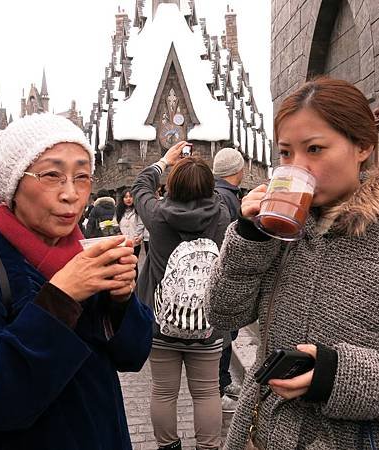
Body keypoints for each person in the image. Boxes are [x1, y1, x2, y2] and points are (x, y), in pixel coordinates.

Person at [205, 77, 379, 450]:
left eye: (314, 149)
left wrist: (341, 377)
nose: (298, 166)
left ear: (362, 146)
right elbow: (223, 314)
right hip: (258, 431)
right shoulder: (280, 232)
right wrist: (250, 239)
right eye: (286, 153)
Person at [0, 113, 153, 450]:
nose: (71, 194)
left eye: (82, 176)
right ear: (14, 184)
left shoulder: (85, 257)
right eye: (52, 175)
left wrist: (120, 303)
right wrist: (61, 298)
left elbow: (132, 356)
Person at [132, 141, 230, 450]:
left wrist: (165, 161)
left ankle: (168, 446)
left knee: (163, 392)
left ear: (171, 186)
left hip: (163, 321)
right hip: (208, 322)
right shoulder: (222, 215)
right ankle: (208, 446)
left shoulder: (158, 215)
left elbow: (140, 186)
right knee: (206, 392)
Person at [212, 147, 245, 413]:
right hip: (226, 274)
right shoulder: (224, 198)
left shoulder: (224, 194)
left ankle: (223, 381)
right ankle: (218, 389)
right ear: (238, 170)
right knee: (222, 334)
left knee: (226, 334)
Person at [116, 189, 145, 260]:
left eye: (130, 196)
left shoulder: (138, 210)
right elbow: (115, 224)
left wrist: (140, 237)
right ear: (122, 199)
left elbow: (142, 225)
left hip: (135, 242)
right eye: (126, 197)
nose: (128, 199)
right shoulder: (118, 211)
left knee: (134, 264)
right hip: (122, 243)